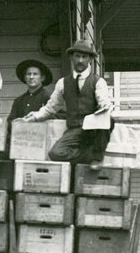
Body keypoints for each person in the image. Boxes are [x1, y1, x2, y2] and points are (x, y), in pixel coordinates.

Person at [21, 39, 112, 169]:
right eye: (77, 56)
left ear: (90, 59)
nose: (80, 61)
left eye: (84, 57)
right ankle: (89, 156)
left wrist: (104, 106)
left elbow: (103, 100)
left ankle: (96, 156)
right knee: (55, 153)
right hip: (75, 130)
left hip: (93, 131)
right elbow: (51, 108)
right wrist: (34, 117)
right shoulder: (63, 83)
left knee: (109, 120)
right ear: (71, 57)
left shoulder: (98, 82)